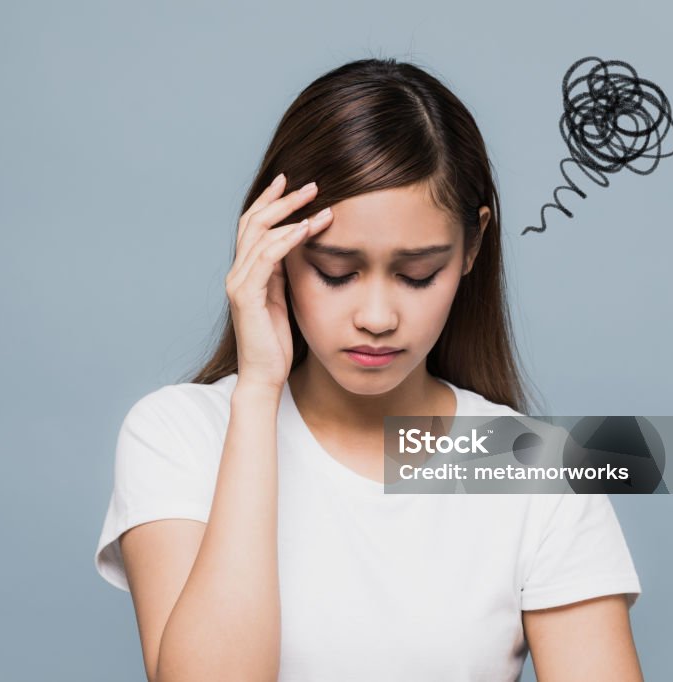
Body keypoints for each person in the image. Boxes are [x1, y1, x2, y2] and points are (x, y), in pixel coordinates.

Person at [95, 57, 643, 681]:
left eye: (417, 275)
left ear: (472, 247)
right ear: (272, 247)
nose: (377, 316)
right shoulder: (179, 436)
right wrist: (258, 390)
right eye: (336, 271)